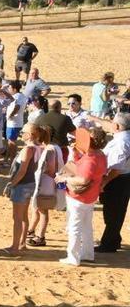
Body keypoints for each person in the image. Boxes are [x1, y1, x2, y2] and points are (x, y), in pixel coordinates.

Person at [56, 127, 108, 265]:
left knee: (74, 227)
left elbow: (83, 180)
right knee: (86, 226)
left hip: (79, 197)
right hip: (91, 196)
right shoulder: (100, 155)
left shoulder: (90, 159)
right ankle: (87, 254)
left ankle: (73, 257)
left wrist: (65, 179)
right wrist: (76, 153)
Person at [3, 124, 41, 255]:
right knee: (24, 216)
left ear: (30, 135)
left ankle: (15, 247)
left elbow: (22, 170)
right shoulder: (37, 148)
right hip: (30, 183)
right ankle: (22, 243)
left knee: (17, 217)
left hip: (22, 185)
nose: (21, 134)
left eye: (23, 132)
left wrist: (11, 184)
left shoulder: (28, 149)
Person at [96, 113, 130, 252]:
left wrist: (104, 182)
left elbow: (116, 168)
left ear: (116, 126)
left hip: (117, 180)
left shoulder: (122, 141)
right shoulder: (123, 138)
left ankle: (109, 243)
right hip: (121, 179)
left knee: (113, 212)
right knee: (114, 212)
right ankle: (113, 239)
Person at [27, 125, 61, 247]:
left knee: (42, 209)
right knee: (36, 208)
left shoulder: (50, 149)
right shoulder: (53, 147)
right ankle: (31, 230)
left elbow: (51, 169)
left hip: (45, 183)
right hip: (45, 183)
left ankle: (41, 236)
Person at [5, 81, 29, 162]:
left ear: (14, 89)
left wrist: (11, 115)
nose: (9, 89)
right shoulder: (21, 95)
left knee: (12, 142)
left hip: (13, 123)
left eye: (10, 88)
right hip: (17, 122)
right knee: (10, 141)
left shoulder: (17, 97)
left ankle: (12, 160)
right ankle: (7, 159)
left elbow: (17, 107)